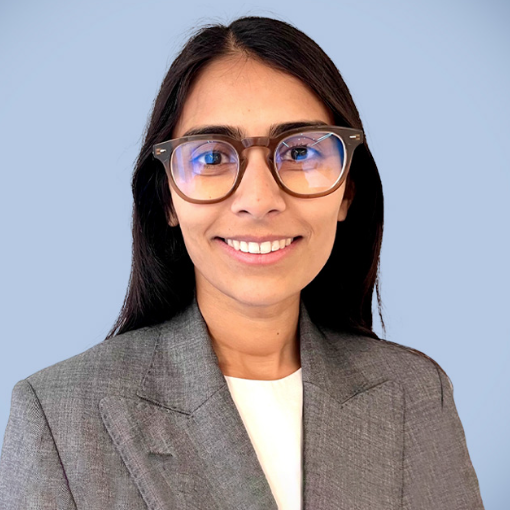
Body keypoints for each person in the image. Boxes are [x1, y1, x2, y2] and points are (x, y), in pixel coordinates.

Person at [0, 15, 484, 510]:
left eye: (300, 151)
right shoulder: (60, 418)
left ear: (347, 192)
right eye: (211, 158)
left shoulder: (414, 393)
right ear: (167, 199)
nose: (258, 200)